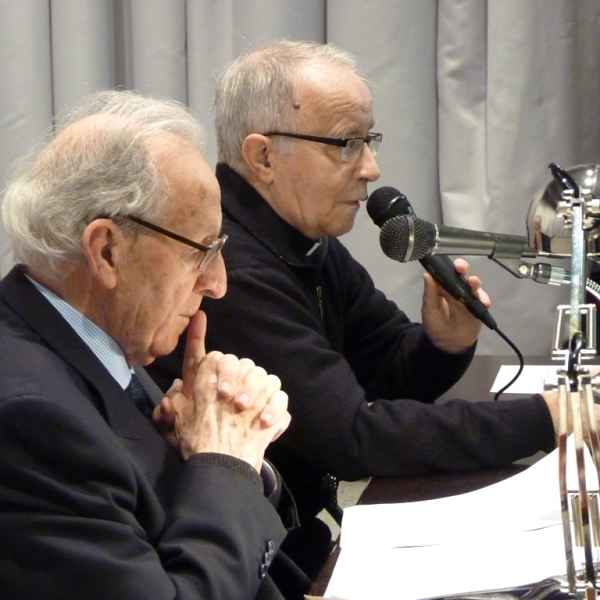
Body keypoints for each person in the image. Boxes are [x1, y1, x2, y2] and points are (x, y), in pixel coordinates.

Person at [146, 40, 581, 579]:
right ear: (263, 157)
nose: (371, 169)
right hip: (258, 562)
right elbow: (354, 437)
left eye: (368, 141)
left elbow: (380, 373)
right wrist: (556, 417)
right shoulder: (236, 269)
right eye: (346, 144)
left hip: (294, 537)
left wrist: (440, 345)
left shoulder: (301, 236)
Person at [0, 90, 296, 600]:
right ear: (107, 251)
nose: (218, 283)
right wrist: (227, 462)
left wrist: (221, 455)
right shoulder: (29, 417)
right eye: (202, 250)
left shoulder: (95, 340)